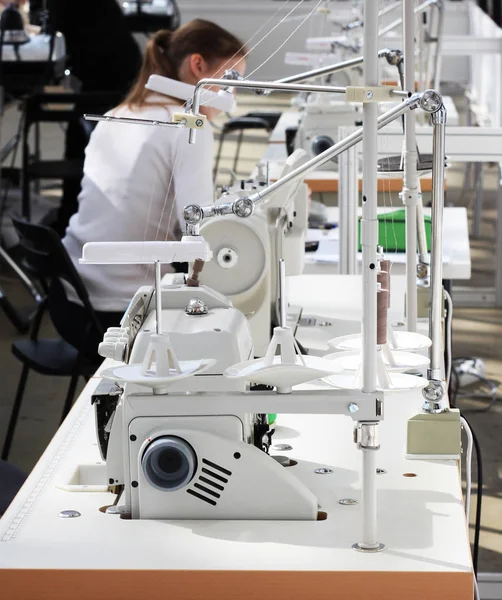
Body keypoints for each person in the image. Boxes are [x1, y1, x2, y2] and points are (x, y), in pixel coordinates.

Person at [51, 19, 247, 361]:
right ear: (198, 65)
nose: (234, 96)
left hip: (70, 300)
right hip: (124, 315)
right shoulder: (190, 126)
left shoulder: (118, 113)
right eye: (231, 82)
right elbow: (200, 234)